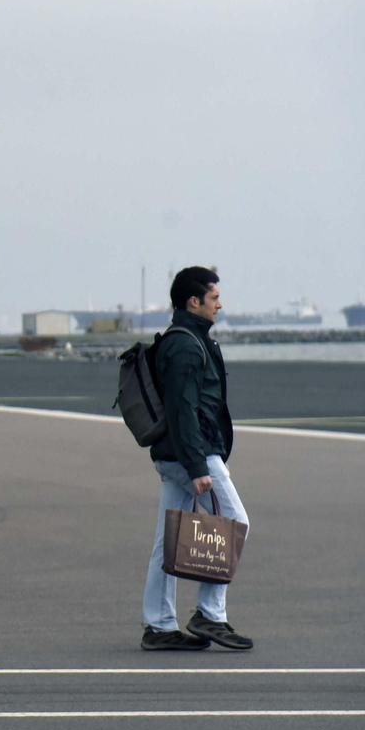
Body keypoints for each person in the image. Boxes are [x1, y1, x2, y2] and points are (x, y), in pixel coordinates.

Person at [140, 267, 254, 651]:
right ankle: (209, 614)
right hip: (192, 452)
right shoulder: (187, 345)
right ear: (194, 301)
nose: (219, 304)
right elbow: (183, 409)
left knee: (168, 540)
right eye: (214, 297)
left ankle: (158, 626)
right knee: (235, 521)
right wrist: (199, 467)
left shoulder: (186, 339)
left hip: (179, 453)